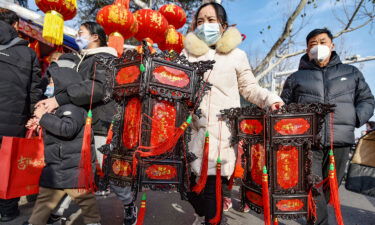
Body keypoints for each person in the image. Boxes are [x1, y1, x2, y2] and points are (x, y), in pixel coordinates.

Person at [182, 3, 284, 224]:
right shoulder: (187, 55)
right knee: (188, 190)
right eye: (200, 21)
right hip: (190, 134)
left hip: (220, 136)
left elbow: (250, 88)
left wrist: (271, 100)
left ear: (223, 25)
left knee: (212, 194)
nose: (205, 25)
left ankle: (212, 219)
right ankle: (205, 215)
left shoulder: (236, 55)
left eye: (210, 20)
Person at [35, 22, 137, 225]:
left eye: (81, 33)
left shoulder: (104, 59)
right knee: (73, 170)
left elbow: (96, 89)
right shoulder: (86, 59)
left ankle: (128, 203)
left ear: (95, 37)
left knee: (109, 170)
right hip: (83, 121)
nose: (76, 35)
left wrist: (58, 100)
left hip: (101, 124)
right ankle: (58, 210)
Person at [280, 28, 375, 225]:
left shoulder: (351, 73)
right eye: (313, 44)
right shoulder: (295, 78)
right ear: (307, 50)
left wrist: (355, 118)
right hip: (308, 142)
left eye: (322, 41)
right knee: (313, 187)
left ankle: (314, 216)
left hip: (340, 141)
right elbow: (284, 107)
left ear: (332, 45)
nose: (318, 46)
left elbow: (367, 100)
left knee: (330, 187)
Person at [23, 62, 101, 225]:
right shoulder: (62, 108)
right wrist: (41, 122)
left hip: (71, 170)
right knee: (44, 202)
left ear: (63, 84)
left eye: (52, 82)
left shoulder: (72, 108)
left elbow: (67, 129)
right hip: (58, 168)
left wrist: (44, 117)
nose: (49, 86)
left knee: (85, 203)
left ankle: (93, 222)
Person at [0, 8, 43, 222]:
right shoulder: (28, 53)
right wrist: (35, 116)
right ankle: (7, 209)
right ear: (16, 26)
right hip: (14, 120)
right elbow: (35, 90)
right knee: (8, 164)